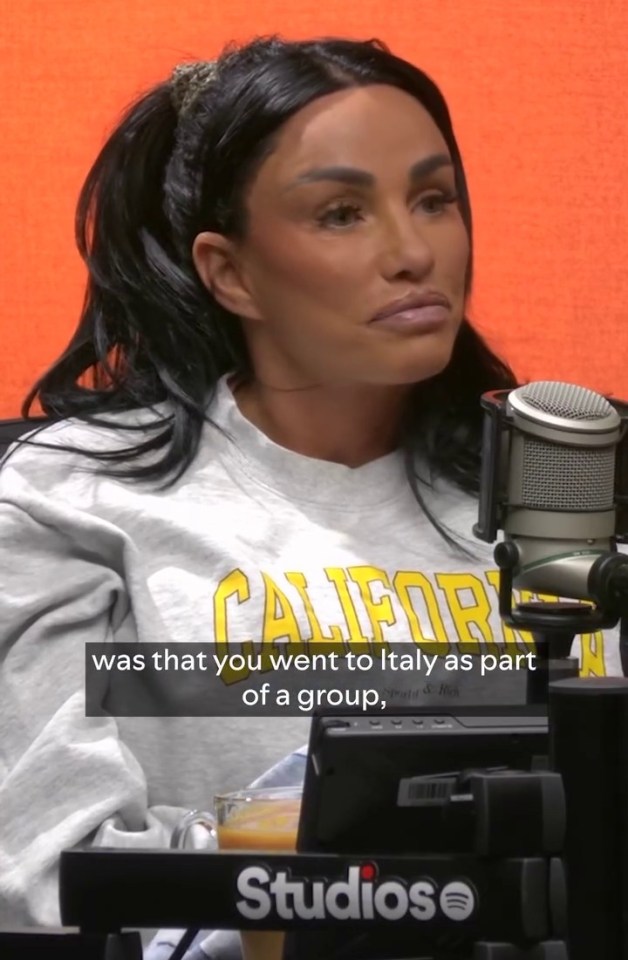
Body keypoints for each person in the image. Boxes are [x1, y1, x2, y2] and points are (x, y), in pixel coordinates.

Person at [0, 34, 620, 945]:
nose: (415, 252)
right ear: (230, 271)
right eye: (340, 213)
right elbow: (52, 876)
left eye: (435, 199)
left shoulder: (572, 486)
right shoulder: (73, 499)